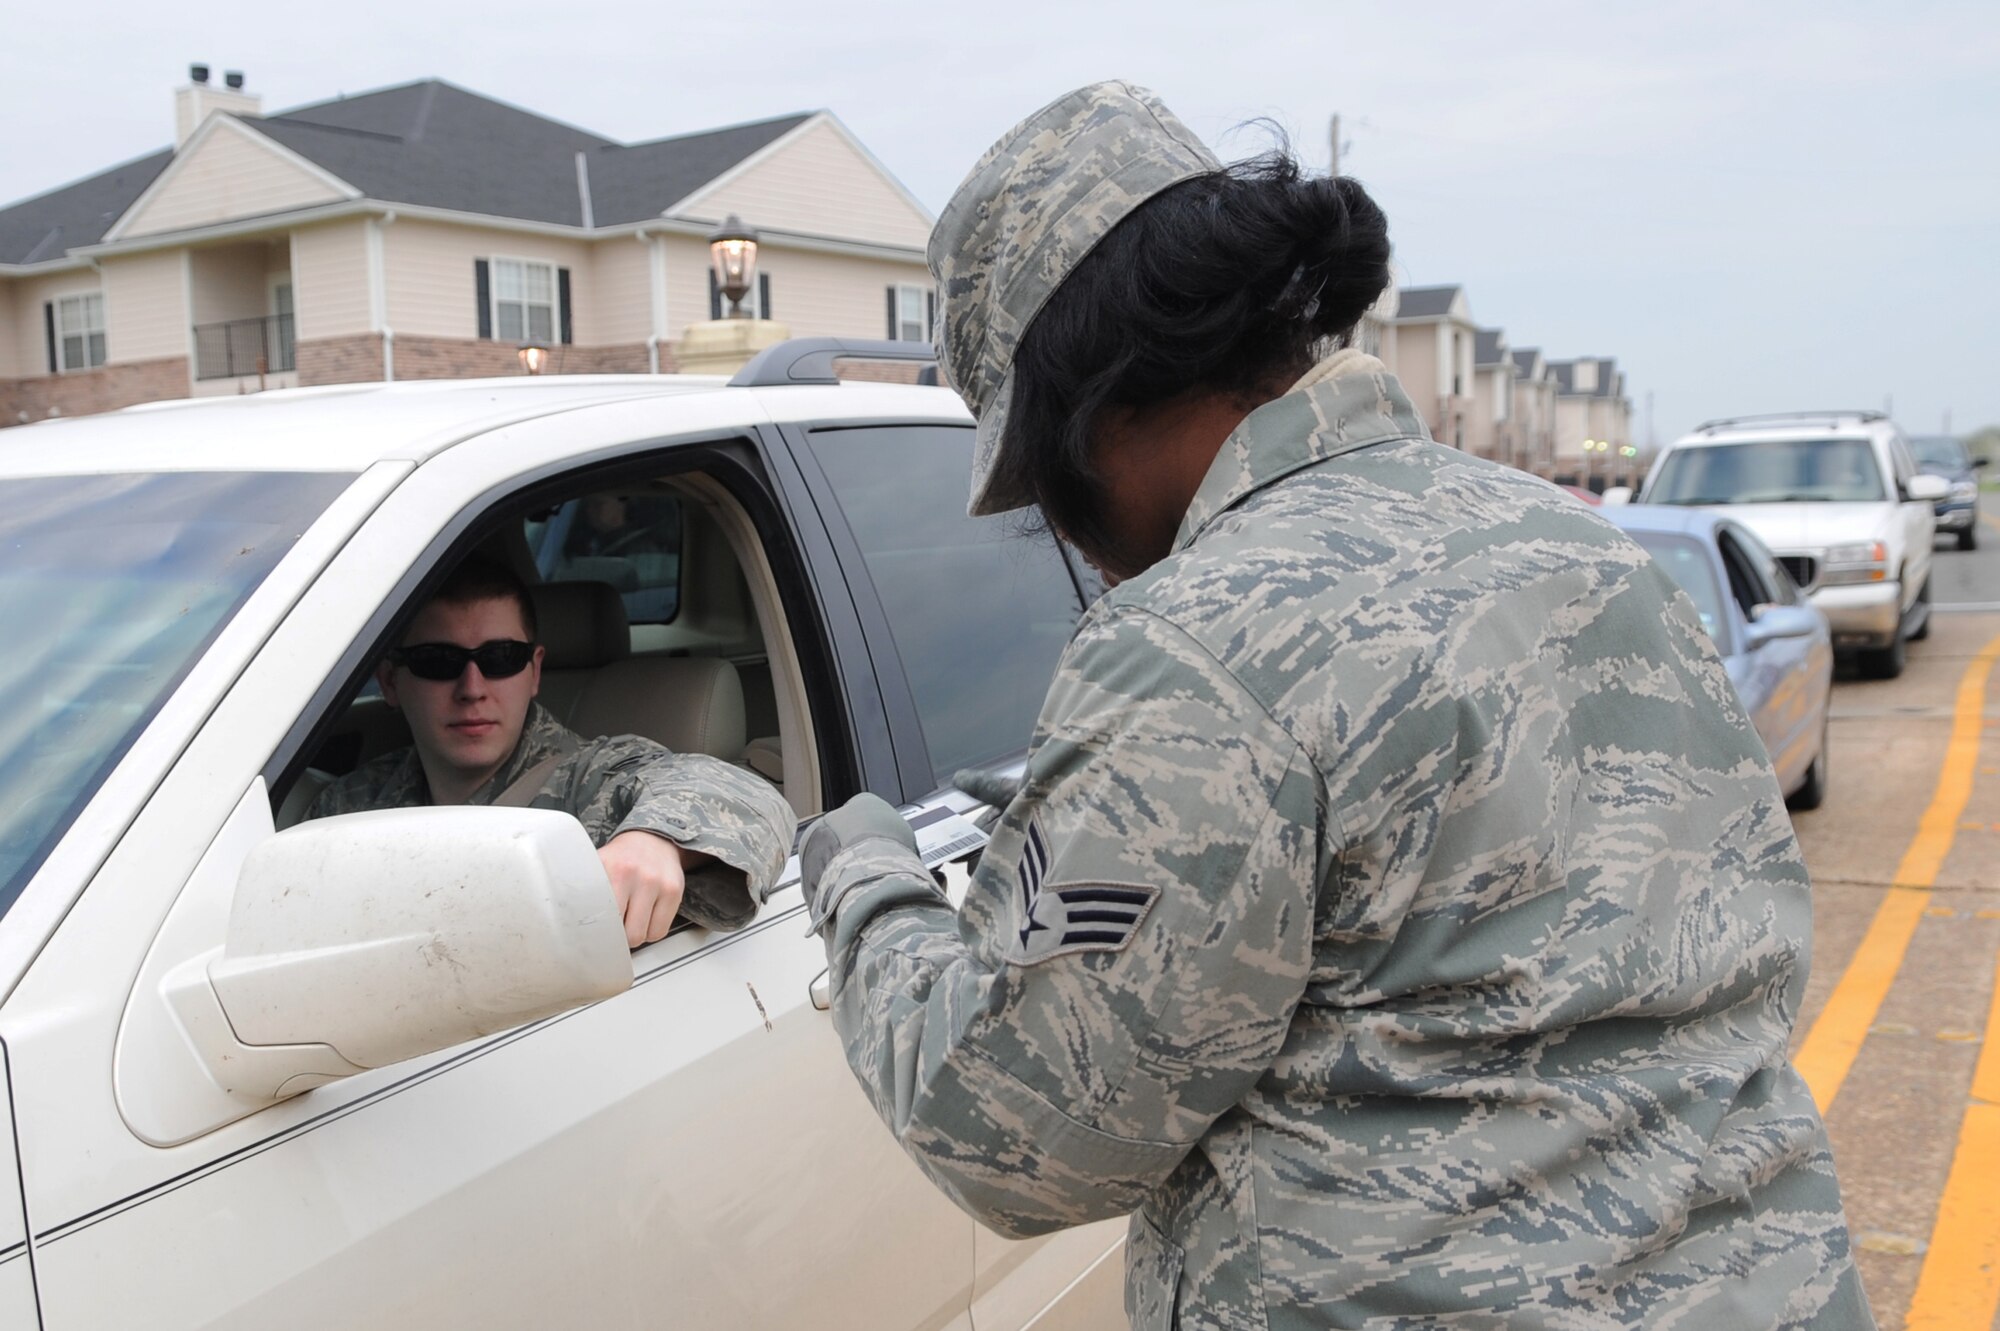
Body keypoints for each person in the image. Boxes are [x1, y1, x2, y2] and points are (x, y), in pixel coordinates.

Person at [796, 82, 1872, 1329]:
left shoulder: (1192, 648)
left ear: (1089, 409)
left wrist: (863, 873)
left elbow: (1016, 1130)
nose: (1068, 536)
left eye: (1037, 476)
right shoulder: (1576, 547)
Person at [308, 556, 793, 944]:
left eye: (501, 659)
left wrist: (655, 840)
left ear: (534, 670)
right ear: (391, 681)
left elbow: (745, 796)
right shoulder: (351, 806)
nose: (472, 687)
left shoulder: (589, 779)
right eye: (439, 662)